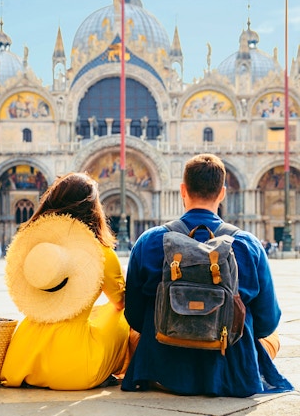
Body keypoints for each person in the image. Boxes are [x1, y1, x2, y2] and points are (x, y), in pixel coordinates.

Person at [122, 153, 293, 397]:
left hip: (162, 371)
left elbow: (135, 316)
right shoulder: (248, 244)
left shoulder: (149, 241)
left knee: (131, 335)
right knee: (271, 336)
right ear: (222, 193)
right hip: (231, 373)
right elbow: (267, 322)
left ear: (183, 190)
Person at [1, 172, 130, 390]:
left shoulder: (38, 248)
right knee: (122, 315)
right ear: (93, 208)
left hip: (21, 361)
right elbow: (120, 302)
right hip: (75, 369)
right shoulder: (101, 254)